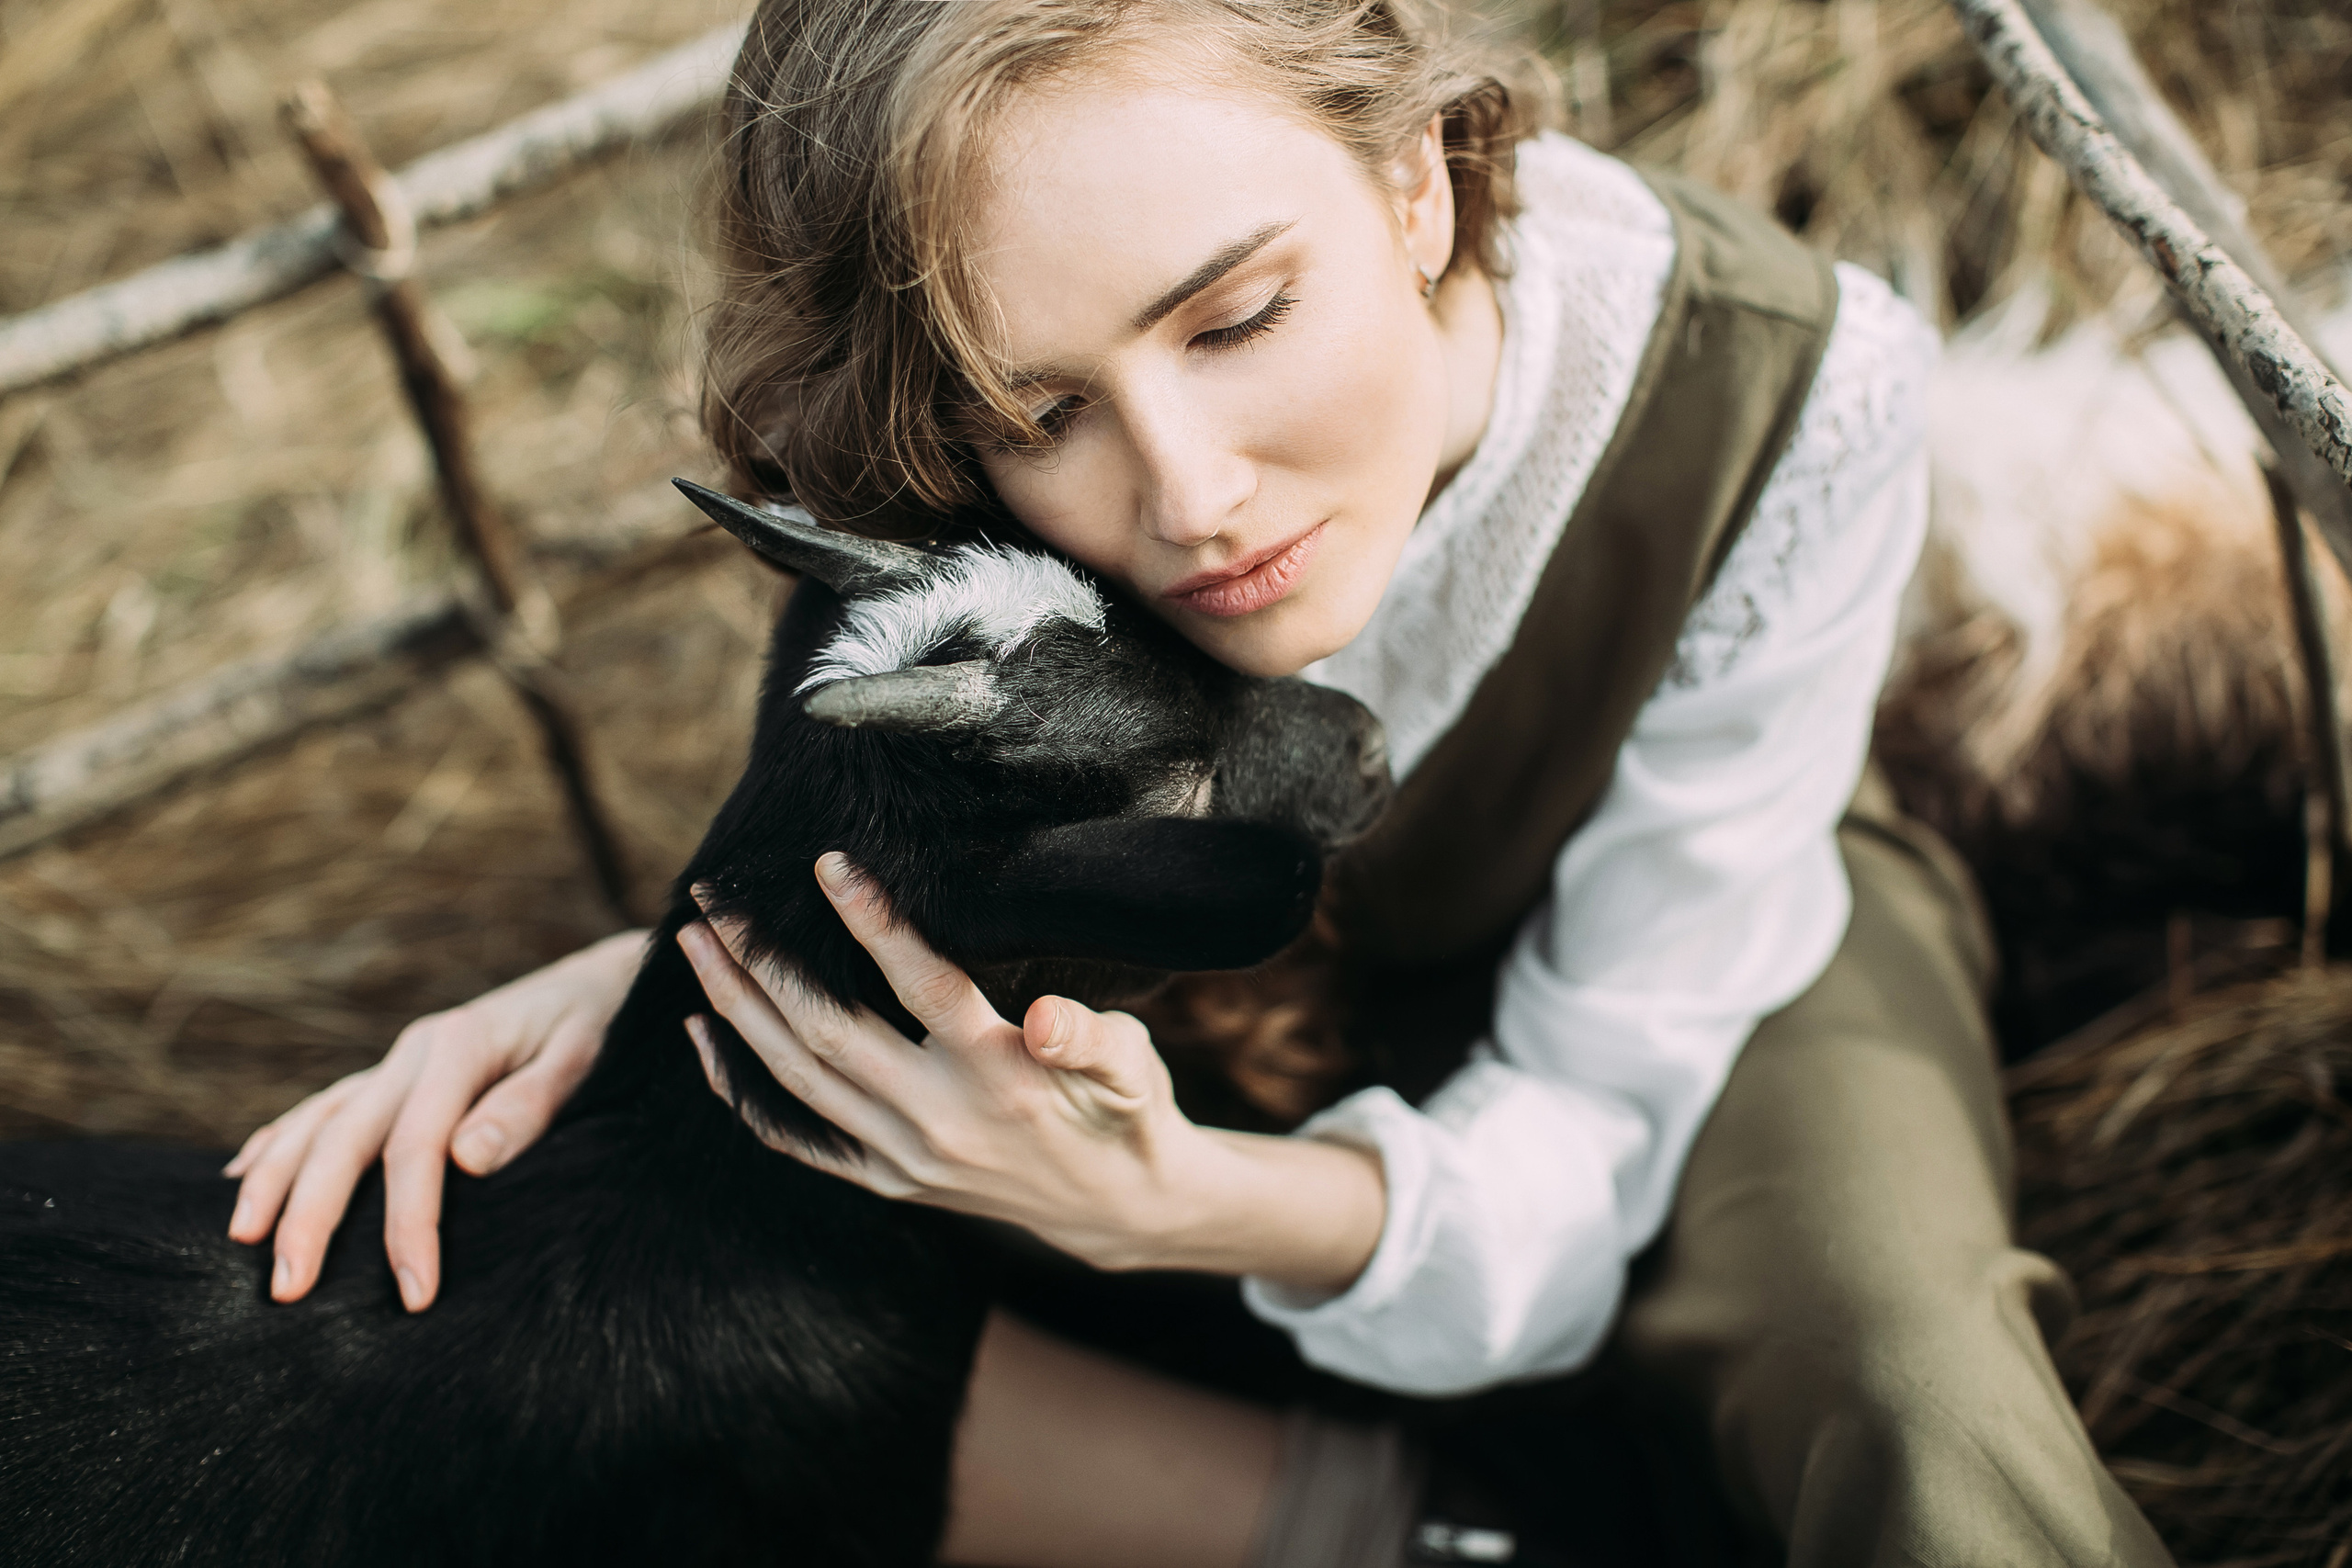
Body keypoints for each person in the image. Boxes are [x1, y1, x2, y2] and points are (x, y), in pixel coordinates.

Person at [220, 3, 2176, 1564]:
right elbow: (936, 820)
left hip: (1685, 949)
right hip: (1159, 967)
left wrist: (1171, 1201)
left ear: (1416, 180)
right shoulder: (947, 437)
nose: (1186, 495)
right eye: (1040, 412)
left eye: (1237, 318)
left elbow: (1598, 1112)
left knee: (1905, 1379)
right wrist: (665, 989)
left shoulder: (1792, 390)